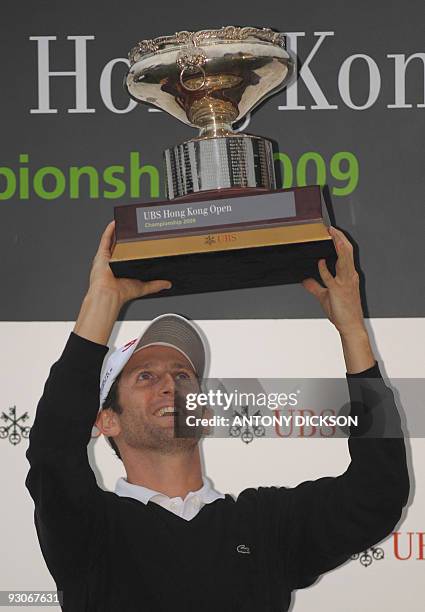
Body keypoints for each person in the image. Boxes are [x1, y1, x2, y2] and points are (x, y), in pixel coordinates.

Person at [25, 221, 409, 612]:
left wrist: (353, 332)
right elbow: (53, 451)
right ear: (107, 420)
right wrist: (102, 302)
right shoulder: (90, 528)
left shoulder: (264, 526)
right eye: (146, 376)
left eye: (182, 375)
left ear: (204, 413)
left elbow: (377, 493)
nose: (169, 385)